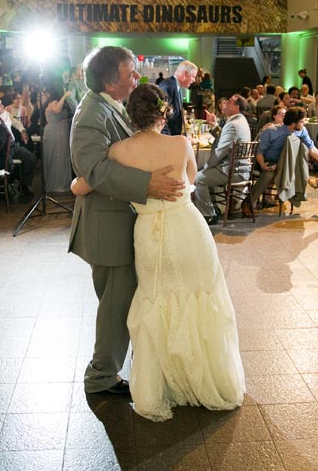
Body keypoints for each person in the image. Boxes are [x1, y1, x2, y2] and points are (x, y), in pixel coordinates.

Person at [71, 83, 245, 421]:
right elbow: (192, 179)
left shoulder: (118, 151)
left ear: (129, 115)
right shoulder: (180, 143)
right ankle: (205, 379)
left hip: (149, 235)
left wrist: (78, 185)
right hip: (188, 230)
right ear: (165, 114)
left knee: (157, 301)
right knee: (198, 300)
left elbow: (84, 183)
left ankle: (165, 382)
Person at [68, 46, 183, 398]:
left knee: (119, 302)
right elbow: (94, 171)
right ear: (110, 78)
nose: (137, 77)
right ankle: (101, 376)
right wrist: (147, 184)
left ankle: (112, 368)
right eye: (130, 72)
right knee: (115, 306)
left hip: (119, 221)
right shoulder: (91, 114)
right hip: (107, 226)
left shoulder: (108, 106)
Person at [244, 107, 318, 216]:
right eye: (302, 122)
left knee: (296, 170)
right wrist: (263, 165)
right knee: (269, 174)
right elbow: (259, 152)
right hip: (267, 161)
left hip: (287, 164)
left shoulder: (301, 131)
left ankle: (293, 195)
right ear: (293, 124)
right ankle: (248, 202)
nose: (304, 124)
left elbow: (311, 147)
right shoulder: (272, 131)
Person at [193, 93, 251, 224]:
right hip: (240, 168)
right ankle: (213, 207)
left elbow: (221, 151)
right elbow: (224, 140)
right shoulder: (240, 120)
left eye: (229, 102)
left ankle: (209, 214)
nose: (225, 104)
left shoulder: (233, 124)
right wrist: (214, 125)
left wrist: (207, 166)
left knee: (198, 178)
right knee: (203, 172)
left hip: (232, 170)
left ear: (236, 107)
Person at [41, 84, 74, 192]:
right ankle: (57, 184)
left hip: (59, 132)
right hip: (55, 133)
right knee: (57, 157)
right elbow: (56, 110)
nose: (43, 95)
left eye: (45, 93)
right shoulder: (54, 103)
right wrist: (65, 96)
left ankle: (61, 182)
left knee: (61, 157)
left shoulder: (54, 102)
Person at [159, 60, 197, 135]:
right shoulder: (168, 86)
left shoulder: (177, 87)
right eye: (193, 76)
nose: (194, 80)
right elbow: (161, 116)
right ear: (185, 74)